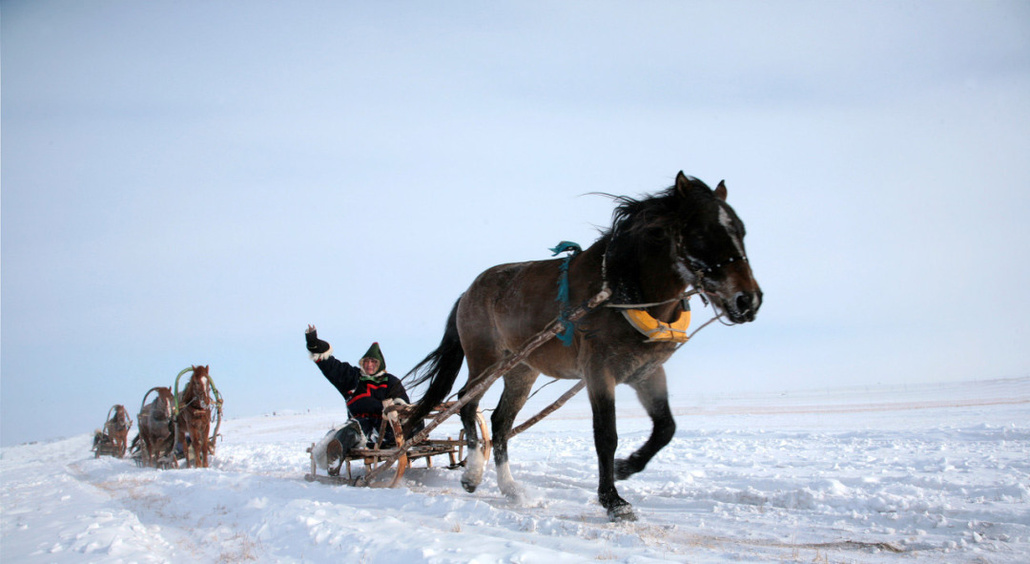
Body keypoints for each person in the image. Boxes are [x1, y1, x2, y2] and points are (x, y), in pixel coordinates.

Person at [305, 325, 413, 476]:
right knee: (347, 433)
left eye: (373, 362)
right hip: (361, 426)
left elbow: (403, 403)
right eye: (366, 362)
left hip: (387, 428)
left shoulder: (390, 381)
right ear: (362, 363)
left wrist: (393, 410)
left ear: (379, 364)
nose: (369, 365)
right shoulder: (353, 378)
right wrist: (315, 344)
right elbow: (331, 366)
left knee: (413, 422)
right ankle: (334, 460)